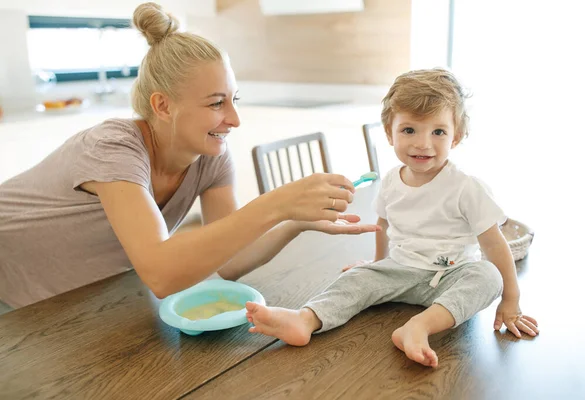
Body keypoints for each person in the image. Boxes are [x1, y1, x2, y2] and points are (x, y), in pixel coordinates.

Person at [0, 2, 379, 312]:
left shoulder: (210, 156)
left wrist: (295, 220)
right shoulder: (113, 148)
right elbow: (161, 273)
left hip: (66, 298)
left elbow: (230, 260)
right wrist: (276, 202)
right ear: (163, 105)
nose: (234, 119)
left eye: (234, 99)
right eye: (216, 103)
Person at [245, 68, 539, 367]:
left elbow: (494, 245)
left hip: (453, 274)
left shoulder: (466, 187)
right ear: (389, 133)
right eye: (409, 130)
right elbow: (383, 224)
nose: (423, 143)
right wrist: (377, 263)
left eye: (438, 132)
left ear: (456, 136)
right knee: (356, 278)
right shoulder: (389, 181)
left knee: (488, 276)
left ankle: (418, 327)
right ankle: (306, 319)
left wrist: (511, 299)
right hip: (400, 268)